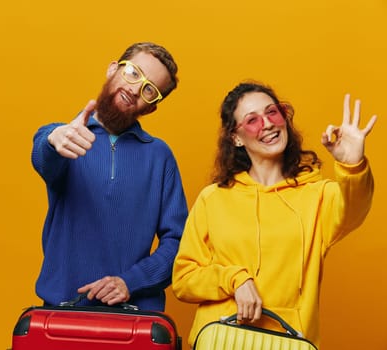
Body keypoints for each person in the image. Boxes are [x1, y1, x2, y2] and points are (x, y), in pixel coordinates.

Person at [172, 81, 376, 348]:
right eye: (252, 120)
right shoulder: (213, 198)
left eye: (272, 113)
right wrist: (234, 279)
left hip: (287, 342)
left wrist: (352, 165)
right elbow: (183, 279)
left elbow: (355, 209)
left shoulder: (317, 195)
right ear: (235, 137)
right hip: (222, 339)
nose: (267, 124)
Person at [31, 42, 188, 311]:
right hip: (60, 312)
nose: (135, 89)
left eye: (149, 89)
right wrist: (52, 139)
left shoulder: (160, 157)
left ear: (151, 107)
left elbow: (180, 243)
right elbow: (44, 156)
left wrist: (131, 282)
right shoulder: (69, 136)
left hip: (134, 318)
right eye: (134, 73)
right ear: (113, 69)